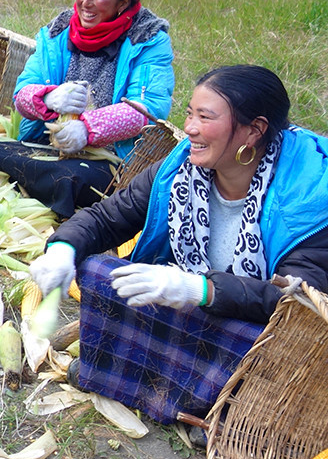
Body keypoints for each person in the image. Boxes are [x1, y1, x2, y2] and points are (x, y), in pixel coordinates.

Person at [28, 65, 328, 425]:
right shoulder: (179, 169)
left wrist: (200, 288)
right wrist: (63, 249)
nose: (190, 128)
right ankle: (172, 391)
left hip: (262, 331)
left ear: (254, 130)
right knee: (101, 273)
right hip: (202, 313)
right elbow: (108, 217)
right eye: (189, 113)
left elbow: (299, 302)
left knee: (254, 335)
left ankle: (230, 408)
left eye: (205, 117)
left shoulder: (309, 201)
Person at [0, 0, 174, 217]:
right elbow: (22, 93)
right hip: (47, 147)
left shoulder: (148, 40)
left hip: (107, 160)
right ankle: (38, 188)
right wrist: (48, 99)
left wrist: (87, 129)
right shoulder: (56, 33)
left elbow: (147, 109)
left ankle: (30, 185)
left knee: (71, 179)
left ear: (123, 3)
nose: (86, 2)